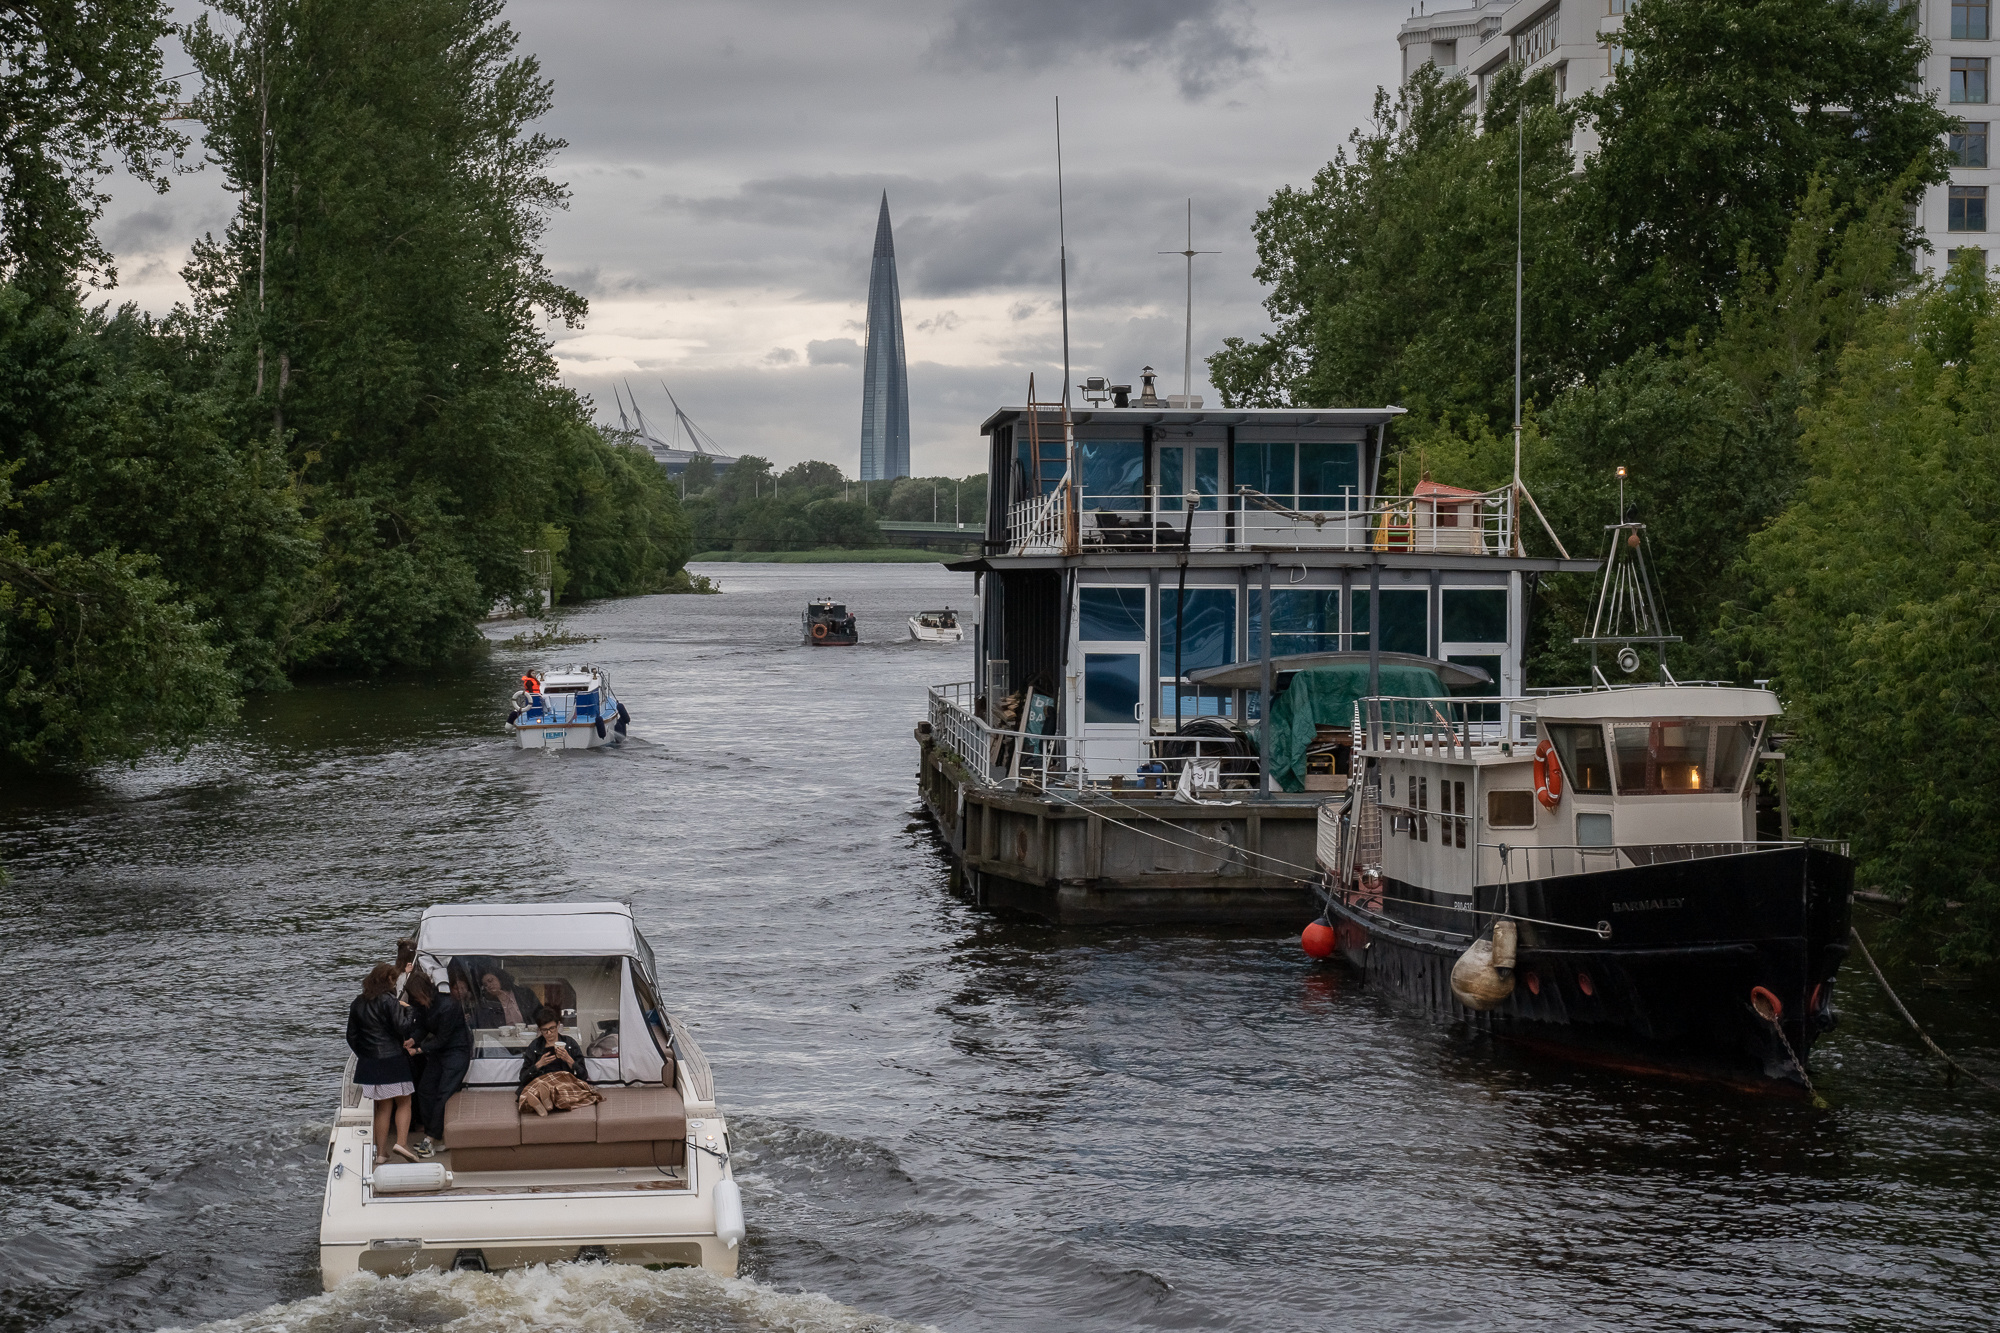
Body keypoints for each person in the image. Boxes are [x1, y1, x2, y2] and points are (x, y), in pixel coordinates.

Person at [346, 963, 418, 1163]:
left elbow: (351, 1036)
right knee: (404, 1101)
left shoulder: (358, 1002)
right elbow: (402, 1027)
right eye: (394, 980)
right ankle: (401, 1144)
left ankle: (380, 1154)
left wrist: (365, 1054)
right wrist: (410, 1011)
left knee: (383, 1107)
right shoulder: (389, 1000)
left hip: (370, 1063)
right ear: (388, 979)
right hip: (392, 1060)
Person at [405, 968, 471, 1156]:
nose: (414, 1001)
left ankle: (431, 1138)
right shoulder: (428, 1005)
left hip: (456, 1051)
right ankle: (435, 1134)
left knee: (444, 1093)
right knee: (425, 1090)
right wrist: (413, 1039)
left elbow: (442, 1038)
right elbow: (423, 1028)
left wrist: (418, 1050)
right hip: (438, 1051)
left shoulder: (449, 1005)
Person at [516, 1006, 600, 1116]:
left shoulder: (570, 1043)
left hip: (563, 1080)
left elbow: (583, 1075)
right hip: (542, 1081)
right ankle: (546, 1100)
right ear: (540, 1029)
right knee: (538, 1087)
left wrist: (569, 1060)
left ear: (558, 1025)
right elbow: (523, 1078)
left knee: (562, 1088)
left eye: (552, 1028)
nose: (549, 1033)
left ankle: (544, 1101)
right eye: (545, 1030)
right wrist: (538, 1065)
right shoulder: (535, 1046)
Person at [473, 968, 540, 1028]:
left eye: (490, 980)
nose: (489, 985)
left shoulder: (525, 994)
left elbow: (539, 1014)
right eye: (485, 985)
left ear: (500, 978)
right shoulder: (487, 1004)